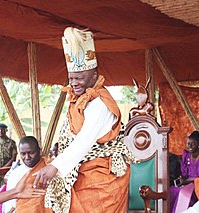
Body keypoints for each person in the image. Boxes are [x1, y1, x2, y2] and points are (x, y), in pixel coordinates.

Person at [33, 27, 136, 212]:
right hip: (79, 172)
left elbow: (83, 141)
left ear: (94, 75)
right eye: (71, 78)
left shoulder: (101, 103)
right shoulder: (77, 100)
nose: (74, 83)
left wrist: (54, 167)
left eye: (79, 77)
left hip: (102, 178)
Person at [3, 136, 52, 213]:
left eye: (31, 153)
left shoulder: (50, 169)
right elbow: (11, 204)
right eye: (23, 154)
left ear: (39, 151)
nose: (27, 157)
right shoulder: (15, 174)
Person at [169, 130, 199, 212]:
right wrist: (182, 180)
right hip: (186, 184)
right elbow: (183, 173)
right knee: (171, 190)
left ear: (198, 144)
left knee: (184, 194)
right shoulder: (186, 156)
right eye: (188, 143)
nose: (189, 146)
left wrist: (187, 181)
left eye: (192, 143)